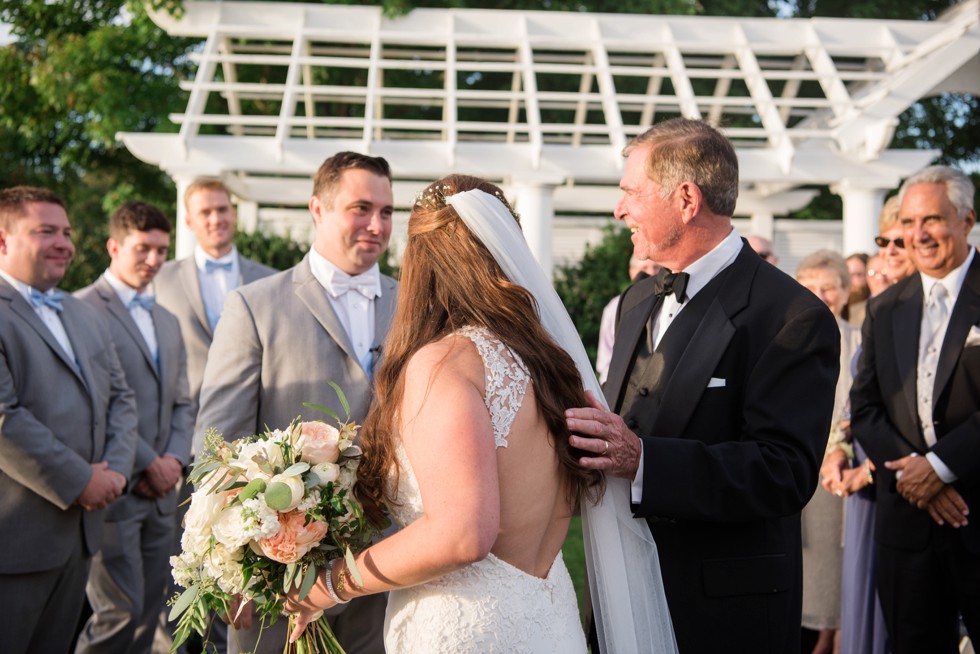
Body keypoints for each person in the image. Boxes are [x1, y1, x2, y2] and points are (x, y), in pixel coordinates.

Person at [284, 174, 679, 653]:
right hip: (551, 623)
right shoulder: (549, 364)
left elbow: (463, 534)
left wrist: (328, 584)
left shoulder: (445, 364)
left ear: (422, 262)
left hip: (470, 633)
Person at [564, 118, 841, 652]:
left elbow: (784, 471)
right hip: (621, 596)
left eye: (630, 193)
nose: (618, 209)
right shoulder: (633, 303)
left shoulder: (791, 316)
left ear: (686, 199)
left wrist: (644, 461)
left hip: (723, 613)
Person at [195, 152, 396, 654]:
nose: (377, 224)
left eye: (388, 212)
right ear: (318, 209)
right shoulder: (254, 305)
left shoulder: (415, 303)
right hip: (280, 574)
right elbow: (217, 445)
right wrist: (234, 563)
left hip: (390, 557)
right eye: (361, 208)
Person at [0, 186, 139, 654]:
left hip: (79, 538)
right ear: (3, 241)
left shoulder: (81, 312)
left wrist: (116, 471)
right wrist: (81, 479)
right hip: (13, 540)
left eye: (67, 231)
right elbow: (4, 419)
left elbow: (121, 397)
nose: (65, 243)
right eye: (46, 231)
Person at [851, 164, 980, 653]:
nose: (918, 235)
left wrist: (941, 468)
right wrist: (918, 479)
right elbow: (865, 406)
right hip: (906, 527)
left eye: (932, 220)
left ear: (966, 220)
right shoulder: (885, 308)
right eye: (907, 223)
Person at [151, 178, 274, 654]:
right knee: (182, 562)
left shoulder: (267, 279)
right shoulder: (162, 279)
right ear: (189, 219)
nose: (215, 219)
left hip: (245, 445)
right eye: (204, 212)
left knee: (240, 558)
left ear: (234, 213)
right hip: (176, 443)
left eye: (223, 210)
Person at [74, 201, 194, 654]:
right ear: (113, 245)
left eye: (162, 251)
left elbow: (184, 401)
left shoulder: (167, 318)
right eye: (143, 248)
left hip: (163, 495)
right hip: (118, 490)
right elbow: (98, 405)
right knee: (116, 614)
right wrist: (150, 463)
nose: (154, 260)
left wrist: (175, 461)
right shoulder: (81, 309)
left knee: (151, 612)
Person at [796, 250, 862, 654]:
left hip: (843, 472)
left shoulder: (861, 339)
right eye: (810, 288)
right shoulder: (784, 337)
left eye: (829, 288)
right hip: (800, 468)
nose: (820, 297)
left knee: (839, 571)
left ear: (846, 291)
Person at [596, 252, 660, 383]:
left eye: (656, 267)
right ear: (632, 272)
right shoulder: (615, 307)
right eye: (644, 268)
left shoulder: (671, 303)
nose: (651, 273)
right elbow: (606, 359)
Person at [874, 195, 916, 287]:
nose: (890, 251)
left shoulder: (933, 299)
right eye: (884, 241)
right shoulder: (880, 300)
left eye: (900, 242)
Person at [844, 253, 871, 327]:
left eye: (858, 274)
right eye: (847, 275)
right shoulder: (836, 309)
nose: (850, 280)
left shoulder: (873, 312)